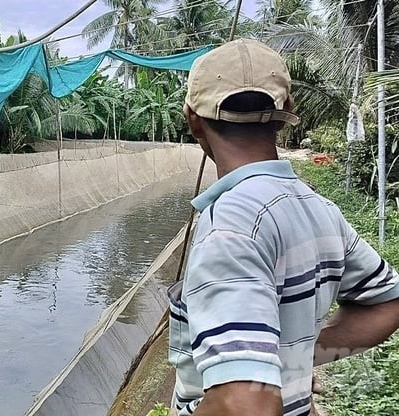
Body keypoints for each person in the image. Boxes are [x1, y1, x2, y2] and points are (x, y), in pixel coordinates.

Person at [168, 38, 399, 416]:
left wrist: (266, 376)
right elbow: (387, 302)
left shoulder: (231, 225)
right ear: (286, 110)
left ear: (192, 118)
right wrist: (289, 363)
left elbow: (248, 405)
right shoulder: (320, 208)